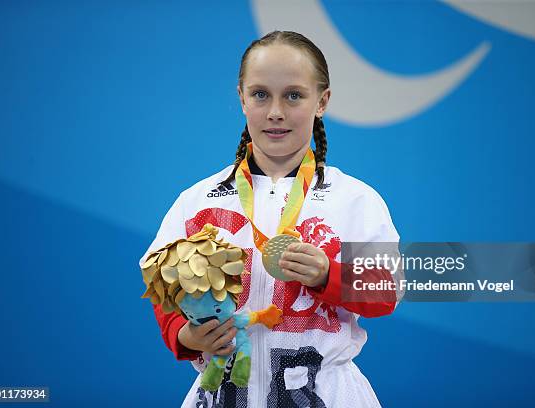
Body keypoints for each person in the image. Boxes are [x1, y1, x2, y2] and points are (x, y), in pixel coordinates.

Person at [139, 30, 403, 408]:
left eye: (293, 95)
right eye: (261, 94)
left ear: (322, 101)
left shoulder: (354, 199)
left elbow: (386, 292)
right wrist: (184, 337)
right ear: (242, 98)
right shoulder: (196, 201)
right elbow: (163, 288)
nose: (276, 111)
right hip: (219, 396)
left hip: (326, 395)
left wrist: (328, 276)